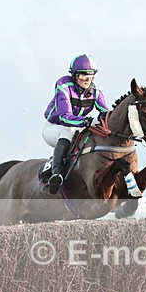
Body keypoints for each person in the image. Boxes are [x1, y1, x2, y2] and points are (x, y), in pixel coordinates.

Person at [40, 53, 109, 194]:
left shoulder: (96, 93)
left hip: (76, 127)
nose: (87, 79)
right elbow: (65, 117)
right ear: (75, 75)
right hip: (55, 126)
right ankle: (56, 172)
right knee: (66, 133)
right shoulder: (63, 85)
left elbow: (106, 114)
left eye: (91, 75)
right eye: (83, 75)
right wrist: (86, 121)